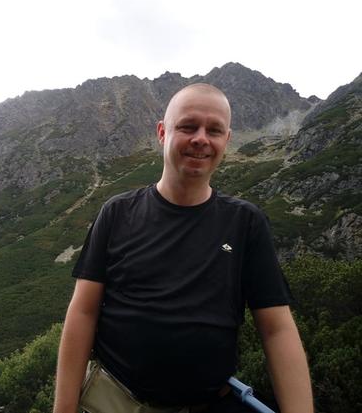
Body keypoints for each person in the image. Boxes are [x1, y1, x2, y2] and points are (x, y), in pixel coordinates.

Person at [53, 83, 313, 413]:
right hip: (114, 402)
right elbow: (83, 311)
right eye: (188, 126)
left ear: (227, 140)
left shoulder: (246, 223)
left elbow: (277, 329)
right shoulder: (117, 213)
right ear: (162, 133)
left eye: (214, 130)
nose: (201, 139)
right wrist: (64, 407)